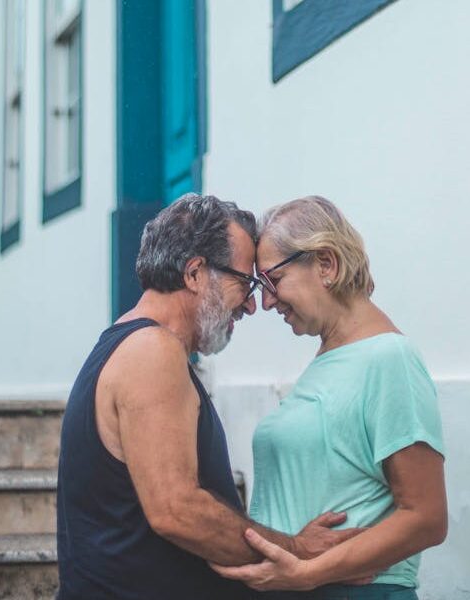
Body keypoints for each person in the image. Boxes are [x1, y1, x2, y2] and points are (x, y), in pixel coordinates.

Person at [56, 194, 363, 600]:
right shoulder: (151, 350)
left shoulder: (132, 345)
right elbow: (177, 510)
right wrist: (297, 551)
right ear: (196, 273)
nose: (252, 306)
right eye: (245, 283)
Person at [211, 196, 448, 599]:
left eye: (272, 281)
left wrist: (310, 573)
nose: (266, 302)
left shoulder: (390, 359)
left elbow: (426, 517)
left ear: (326, 264)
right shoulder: (331, 359)